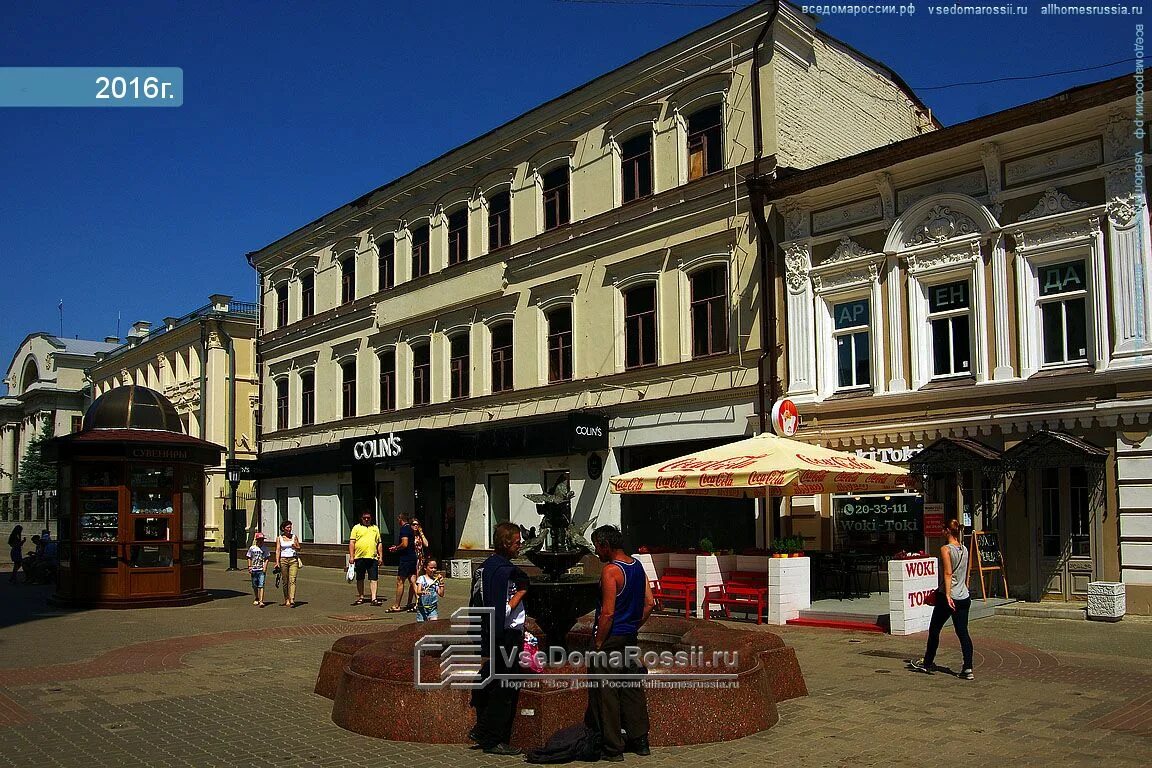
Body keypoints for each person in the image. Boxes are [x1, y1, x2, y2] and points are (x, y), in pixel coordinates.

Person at [585, 524, 654, 761]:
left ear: (606, 545)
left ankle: (612, 748)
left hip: (611, 638)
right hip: (629, 638)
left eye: (597, 546)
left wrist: (598, 642)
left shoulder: (611, 571)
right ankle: (641, 740)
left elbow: (607, 613)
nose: (596, 551)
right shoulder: (636, 565)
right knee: (631, 686)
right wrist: (634, 626)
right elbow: (650, 603)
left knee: (606, 693)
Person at [471, 521, 528, 756]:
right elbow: (499, 610)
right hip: (504, 637)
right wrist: (521, 594)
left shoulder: (485, 568)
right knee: (506, 688)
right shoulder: (503, 572)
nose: (520, 545)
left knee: (497, 684)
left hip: (492, 635)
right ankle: (493, 738)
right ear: (506, 543)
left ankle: (483, 730)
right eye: (517, 542)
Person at [910, 518, 975, 680]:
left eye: (943, 529)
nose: (941, 531)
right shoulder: (964, 549)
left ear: (947, 531)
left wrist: (946, 595)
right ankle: (968, 668)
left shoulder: (945, 549)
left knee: (934, 629)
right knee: (963, 632)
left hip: (949, 597)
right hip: (964, 596)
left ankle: (927, 663)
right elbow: (966, 571)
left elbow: (947, 573)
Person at [348, 511, 384, 606]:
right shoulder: (356, 528)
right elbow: (352, 543)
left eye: (368, 518)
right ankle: (361, 597)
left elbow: (379, 543)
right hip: (360, 557)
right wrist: (351, 556)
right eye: (365, 518)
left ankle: (374, 598)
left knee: (374, 578)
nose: (367, 519)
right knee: (360, 578)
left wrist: (380, 556)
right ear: (361, 518)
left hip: (372, 557)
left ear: (371, 518)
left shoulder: (375, 528)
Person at [387, 512, 418, 612]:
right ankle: (419, 602)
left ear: (400, 519)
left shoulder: (404, 529)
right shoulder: (410, 529)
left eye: (398, 520)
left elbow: (404, 544)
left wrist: (396, 548)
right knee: (413, 581)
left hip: (406, 559)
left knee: (400, 581)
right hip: (413, 557)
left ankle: (397, 605)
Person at [275, 520, 302, 607]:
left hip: (293, 560)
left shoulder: (294, 537)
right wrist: (277, 562)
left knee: (292, 580)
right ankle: (286, 598)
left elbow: (299, 548)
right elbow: (278, 550)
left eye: (290, 527)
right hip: (283, 560)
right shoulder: (279, 538)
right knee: (285, 581)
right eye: (287, 527)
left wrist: (296, 546)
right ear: (283, 528)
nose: (289, 529)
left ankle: (292, 599)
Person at [246, 532, 270, 607]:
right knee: (254, 585)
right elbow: (249, 557)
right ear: (256, 540)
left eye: (262, 540)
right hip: (254, 569)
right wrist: (249, 566)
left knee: (261, 585)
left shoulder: (265, 548)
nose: (261, 541)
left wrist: (265, 567)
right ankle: (257, 597)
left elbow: (267, 558)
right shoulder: (252, 548)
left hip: (261, 569)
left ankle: (261, 601)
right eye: (259, 540)